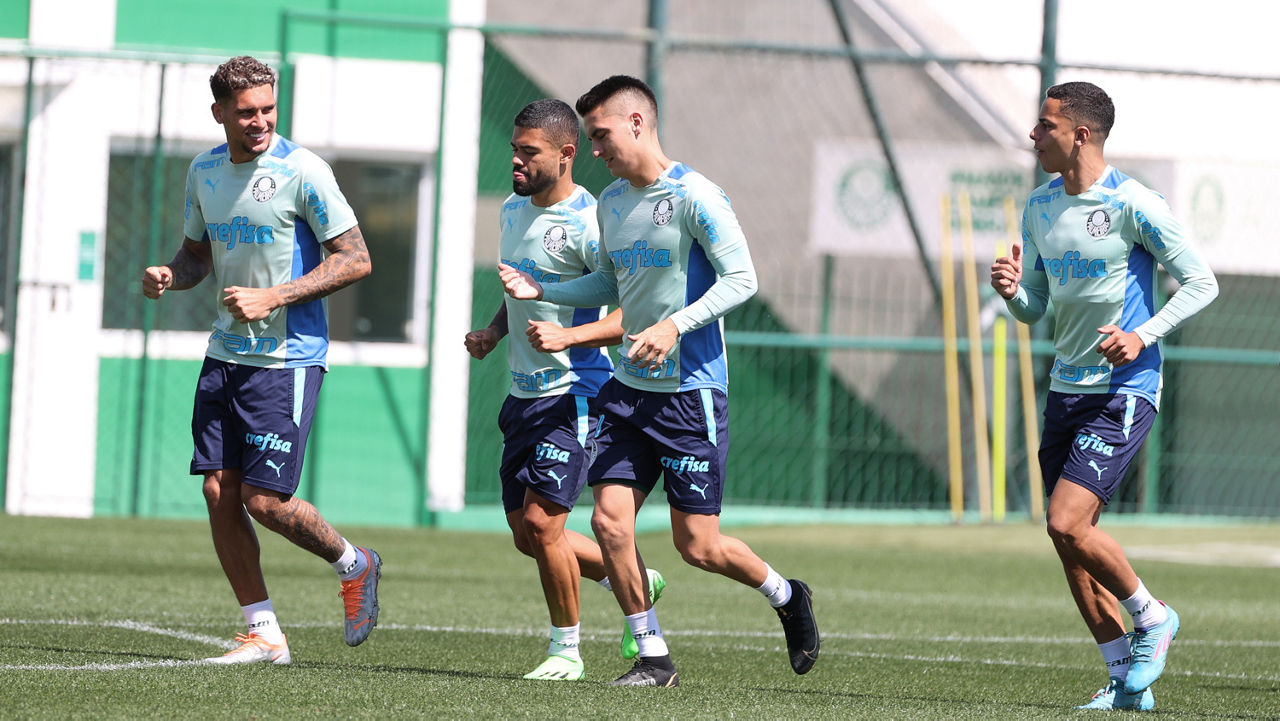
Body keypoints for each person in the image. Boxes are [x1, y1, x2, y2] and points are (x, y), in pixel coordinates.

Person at [499, 75, 820, 687]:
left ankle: (787, 594)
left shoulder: (697, 195)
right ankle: (653, 657)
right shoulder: (612, 202)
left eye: (601, 135)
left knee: (698, 546)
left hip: (690, 393)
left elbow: (742, 279)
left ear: (637, 123)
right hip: (627, 390)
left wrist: (675, 325)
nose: (595, 150)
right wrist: (547, 289)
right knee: (608, 523)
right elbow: (609, 285)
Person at [141, 55, 381, 665]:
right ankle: (264, 631)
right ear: (219, 112)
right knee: (219, 491)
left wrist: (274, 296)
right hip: (225, 353)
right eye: (246, 112)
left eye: (268, 109)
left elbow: (355, 259)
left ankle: (354, 563)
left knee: (265, 501)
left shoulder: (304, 171)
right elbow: (197, 255)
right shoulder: (204, 171)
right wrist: (171, 273)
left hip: (288, 359)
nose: (260, 121)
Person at [991, 81, 1218, 711]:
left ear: (1080, 134)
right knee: (1070, 542)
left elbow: (1201, 283)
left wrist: (1142, 335)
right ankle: (1122, 682)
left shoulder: (1134, 203)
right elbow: (1036, 308)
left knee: (1065, 521)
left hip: (1125, 388)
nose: (1033, 135)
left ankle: (1153, 616)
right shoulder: (1040, 205)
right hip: (1066, 389)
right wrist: (1013, 293)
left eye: (1045, 125)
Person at [464, 98, 666, 681]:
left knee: (543, 523)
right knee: (525, 533)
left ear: (566, 154)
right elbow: (523, 290)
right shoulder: (511, 209)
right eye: (514, 150)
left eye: (529, 152)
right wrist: (494, 331)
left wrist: (569, 336)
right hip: (521, 395)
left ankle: (566, 651)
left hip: (576, 392)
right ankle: (631, 575)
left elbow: (631, 313)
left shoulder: (591, 221)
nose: (516, 162)